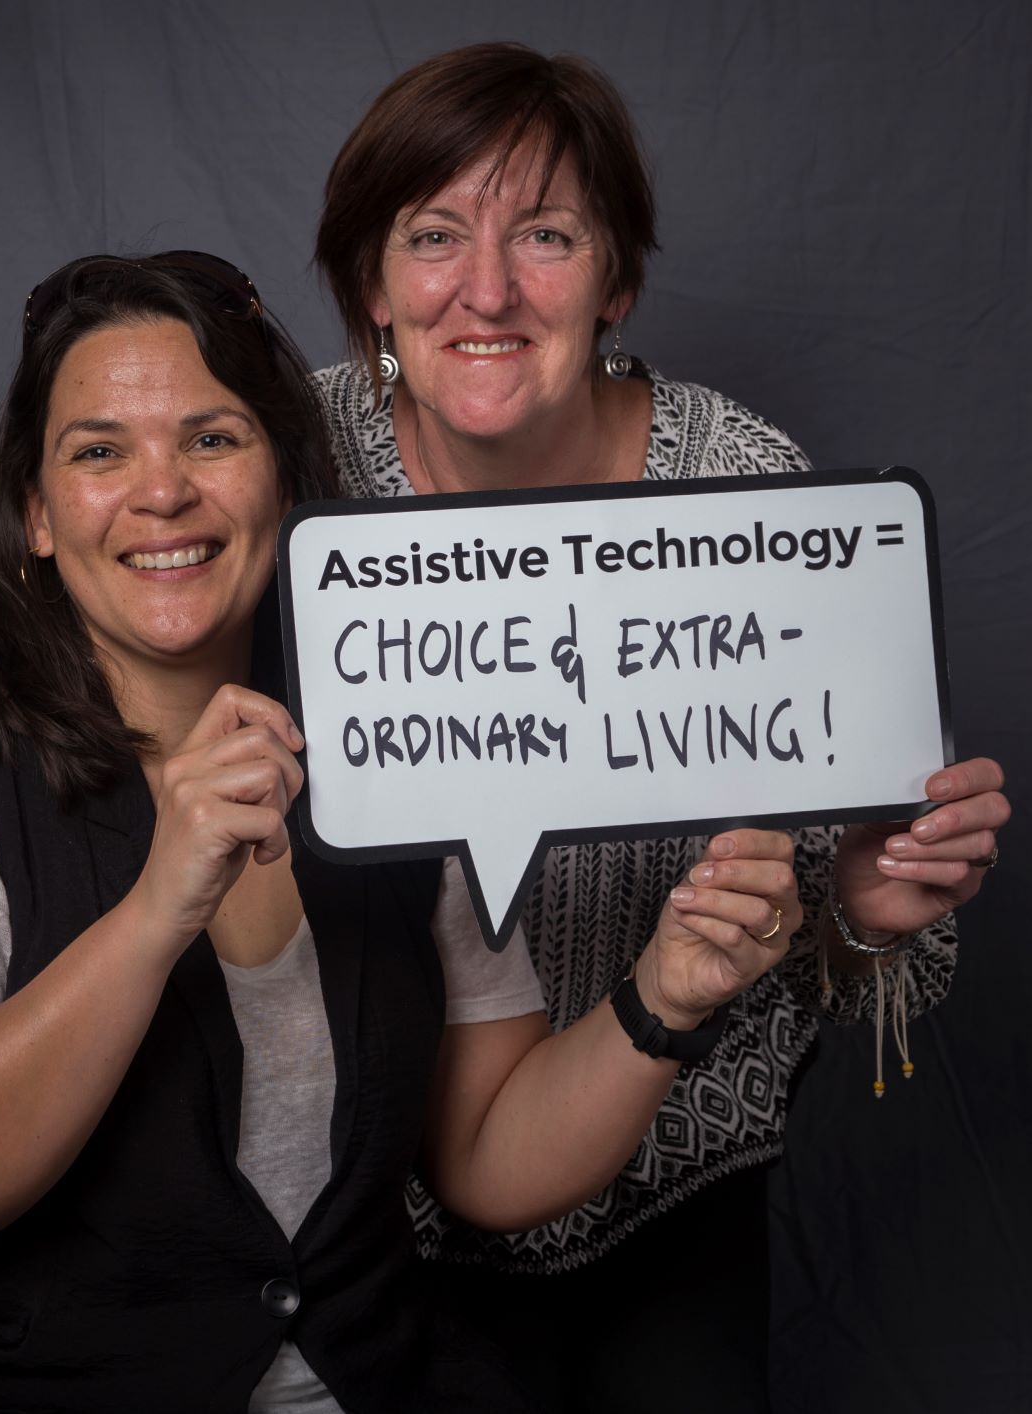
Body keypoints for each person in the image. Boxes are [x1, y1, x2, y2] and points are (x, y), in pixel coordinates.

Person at [0, 251, 800, 1410]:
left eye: (212, 438)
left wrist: (664, 998)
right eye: (99, 451)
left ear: (286, 486)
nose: (162, 493)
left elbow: (488, 1155)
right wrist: (158, 911)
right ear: (38, 515)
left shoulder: (391, 719)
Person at [309, 42, 1009, 1409]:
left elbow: (874, 944)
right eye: (434, 236)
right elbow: (90, 751)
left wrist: (866, 905)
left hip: (673, 1179)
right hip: (364, 1200)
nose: (488, 289)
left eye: (547, 236)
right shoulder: (286, 469)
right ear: (369, 287)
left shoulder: (750, 491)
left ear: (617, 278)